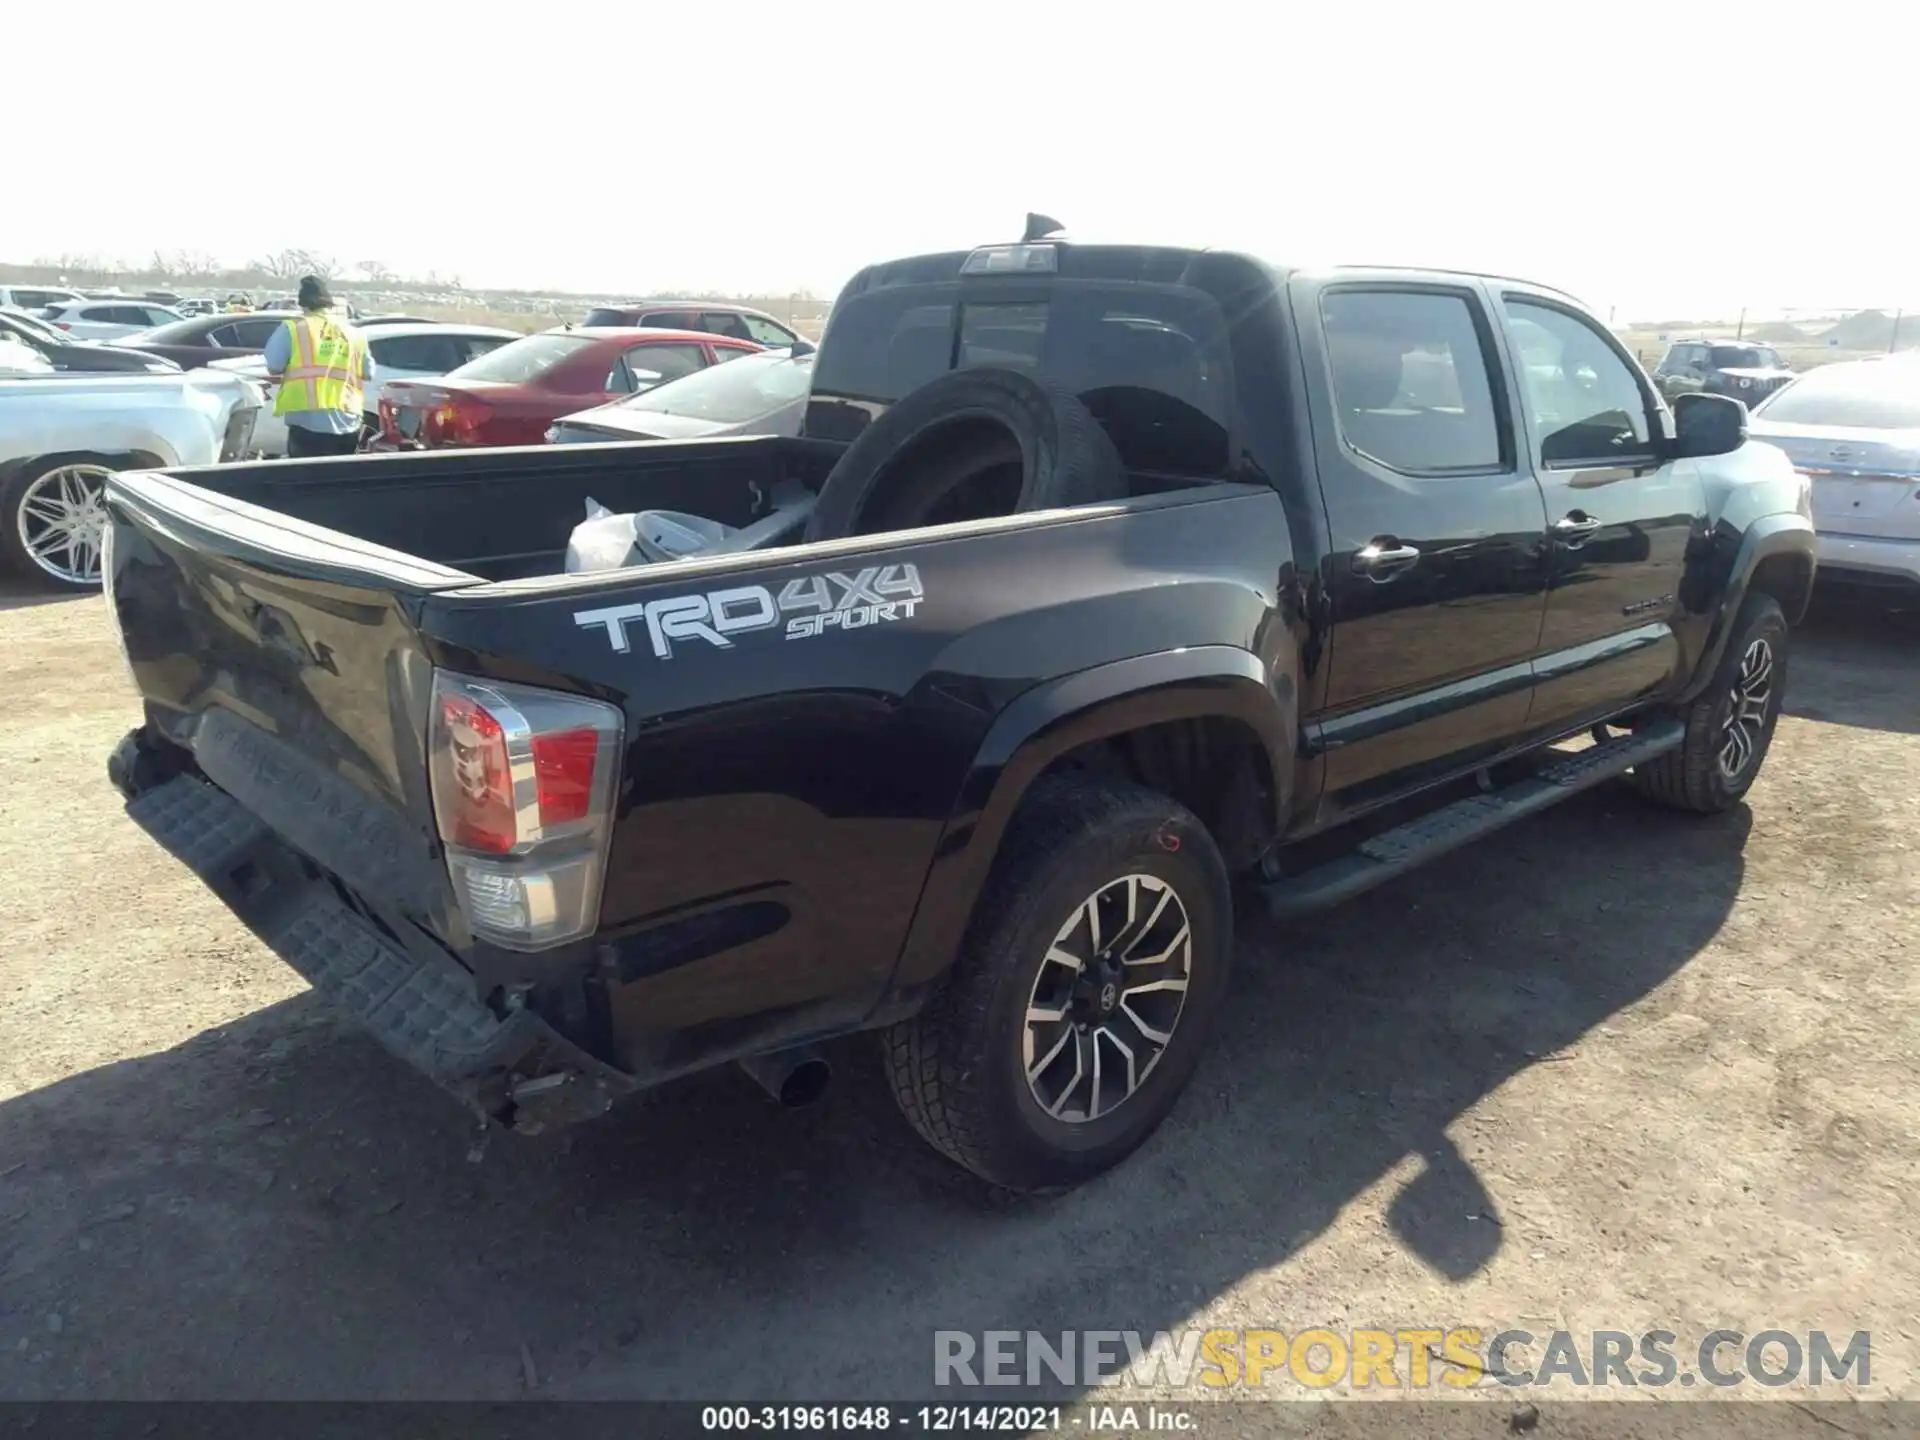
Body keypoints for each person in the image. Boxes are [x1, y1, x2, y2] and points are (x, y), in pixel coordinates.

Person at [263, 276, 373, 458]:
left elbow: (274, 366)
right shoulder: (355, 333)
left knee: (305, 478)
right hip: (347, 420)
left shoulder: (293, 328)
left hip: (307, 421)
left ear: (302, 303)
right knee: (338, 480)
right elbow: (368, 372)